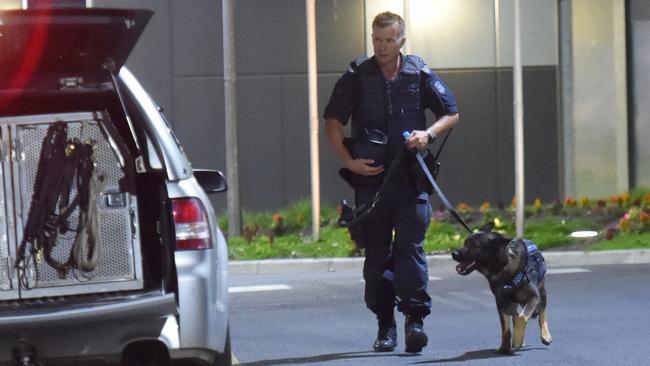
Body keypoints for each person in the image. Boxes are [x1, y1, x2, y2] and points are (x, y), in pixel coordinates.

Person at [323, 11, 459, 353]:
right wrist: (349, 161)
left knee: (411, 250)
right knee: (376, 255)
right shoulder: (357, 76)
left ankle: (415, 321)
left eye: (388, 40)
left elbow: (451, 113)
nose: (381, 47)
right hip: (371, 181)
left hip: (411, 178)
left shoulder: (419, 72)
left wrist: (427, 134)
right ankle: (385, 324)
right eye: (376, 40)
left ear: (401, 41)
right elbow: (333, 122)